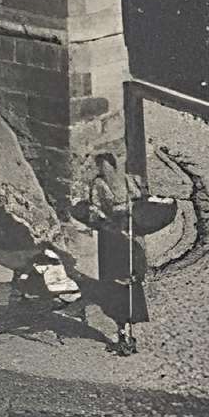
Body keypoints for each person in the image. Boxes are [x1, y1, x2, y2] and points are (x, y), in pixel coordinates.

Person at [82, 150, 149, 355]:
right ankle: (123, 332)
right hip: (111, 236)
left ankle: (126, 333)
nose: (103, 169)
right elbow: (95, 210)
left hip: (124, 233)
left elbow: (139, 200)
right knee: (114, 282)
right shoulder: (100, 184)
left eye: (105, 165)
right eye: (100, 166)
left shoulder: (126, 181)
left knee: (128, 280)